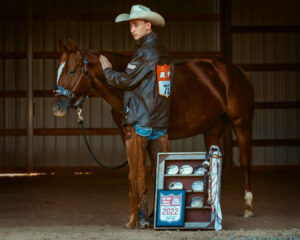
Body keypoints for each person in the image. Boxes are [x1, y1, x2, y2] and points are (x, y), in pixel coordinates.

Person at [99, 4, 173, 229]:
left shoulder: (145, 52)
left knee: (138, 173)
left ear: (148, 25)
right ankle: (164, 215)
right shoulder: (164, 51)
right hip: (160, 121)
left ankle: (140, 217)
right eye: (131, 25)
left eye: (136, 25)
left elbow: (127, 80)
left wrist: (107, 71)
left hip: (141, 122)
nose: (132, 29)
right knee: (162, 171)